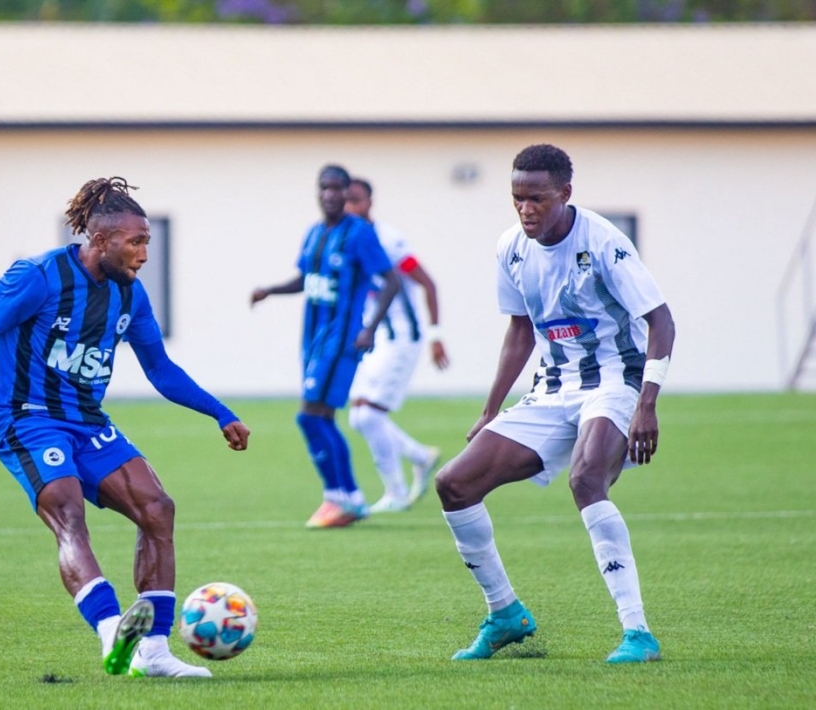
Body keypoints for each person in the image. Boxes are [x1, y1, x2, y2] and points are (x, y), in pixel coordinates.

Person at [0, 177, 250, 679]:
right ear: (100, 240)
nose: (143, 254)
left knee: (157, 509)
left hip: (87, 421)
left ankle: (154, 652)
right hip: (26, 417)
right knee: (68, 511)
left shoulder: (129, 295)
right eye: (135, 242)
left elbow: (160, 369)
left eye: (147, 242)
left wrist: (220, 413)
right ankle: (111, 630)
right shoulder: (37, 277)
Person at [435, 144, 675, 664]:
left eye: (537, 199)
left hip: (615, 380)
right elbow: (520, 331)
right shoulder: (511, 248)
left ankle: (637, 632)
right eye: (517, 199)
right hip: (551, 388)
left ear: (565, 193)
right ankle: (505, 613)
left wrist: (647, 403)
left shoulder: (604, 242)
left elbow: (661, 321)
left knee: (586, 480)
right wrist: (491, 410)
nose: (526, 209)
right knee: (454, 483)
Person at [251, 164, 400, 529]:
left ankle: (340, 495)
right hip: (314, 338)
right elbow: (307, 279)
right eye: (324, 188)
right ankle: (348, 499)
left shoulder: (360, 233)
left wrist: (369, 329)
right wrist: (271, 290)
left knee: (309, 416)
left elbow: (392, 280)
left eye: (337, 189)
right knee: (323, 418)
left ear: (347, 194)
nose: (330, 195)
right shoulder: (314, 233)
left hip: (342, 337)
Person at [344, 178, 449, 513]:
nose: (350, 207)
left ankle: (397, 493)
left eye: (356, 200)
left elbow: (428, 284)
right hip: (375, 339)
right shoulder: (346, 240)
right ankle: (420, 457)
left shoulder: (388, 240)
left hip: (403, 336)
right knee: (358, 417)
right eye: (346, 201)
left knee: (369, 415)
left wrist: (435, 336)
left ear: (370, 202)